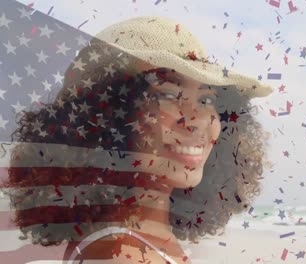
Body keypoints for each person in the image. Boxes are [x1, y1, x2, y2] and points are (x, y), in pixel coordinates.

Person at [1, 16, 272, 263]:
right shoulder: (122, 254)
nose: (198, 119)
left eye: (206, 99)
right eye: (167, 94)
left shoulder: (130, 241)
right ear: (105, 120)